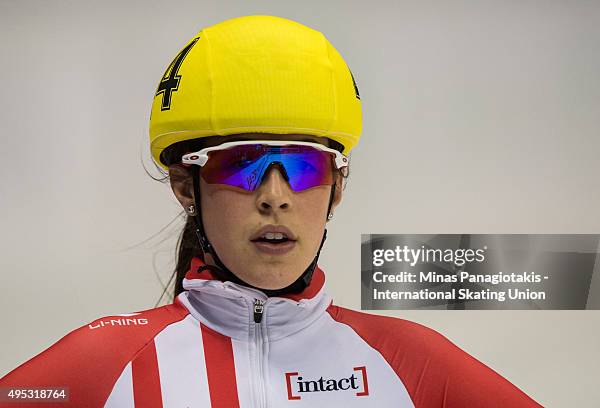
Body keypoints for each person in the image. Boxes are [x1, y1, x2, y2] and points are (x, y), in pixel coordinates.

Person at [0, 15, 542, 407]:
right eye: (240, 164)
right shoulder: (101, 361)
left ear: (337, 188)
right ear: (185, 185)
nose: (275, 195)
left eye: (305, 167)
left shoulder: (413, 361)